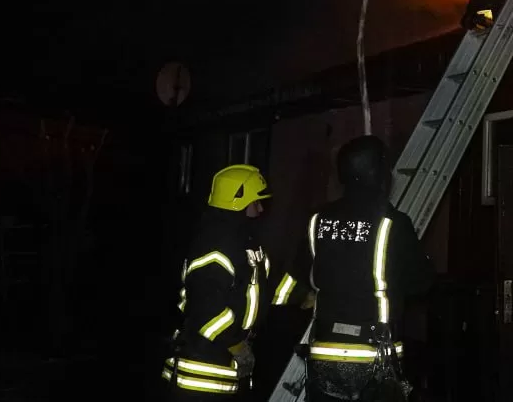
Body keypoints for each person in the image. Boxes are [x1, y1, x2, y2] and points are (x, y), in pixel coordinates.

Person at [298, 135, 435, 401]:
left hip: (324, 350)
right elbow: (422, 281)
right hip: (374, 356)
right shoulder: (392, 222)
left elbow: (303, 273)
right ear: (377, 173)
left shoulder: (318, 220)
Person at [163, 164, 300, 398]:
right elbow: (206, 309)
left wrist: (307, 295)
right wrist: (235, 343)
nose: (260, 209)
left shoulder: (246, 244)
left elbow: (267, 285)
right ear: (238, 203)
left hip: (224, 369)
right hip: (199, 373)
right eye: (255, 203)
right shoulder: (214, 246)